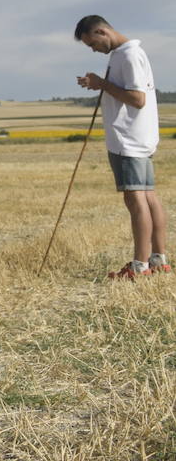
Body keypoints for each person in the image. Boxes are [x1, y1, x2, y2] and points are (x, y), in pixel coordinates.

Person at [75, 15, 168, 280]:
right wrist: (99, 84)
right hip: (135, 137)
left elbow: (137, 99)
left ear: (103, 31)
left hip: (129, 139)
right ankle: (158, 260)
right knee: (148, 197)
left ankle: (140, 266)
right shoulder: (124, 55)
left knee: (136, 200)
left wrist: (101, 84)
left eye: (92, 43)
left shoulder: (128, 56)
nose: (93, 49)